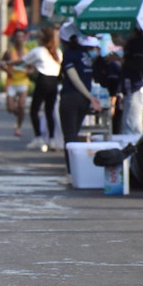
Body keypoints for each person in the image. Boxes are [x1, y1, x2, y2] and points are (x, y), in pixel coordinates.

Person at [59, 27, 102, 176]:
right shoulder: (86, 54)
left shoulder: (69, 55)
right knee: (75, 134)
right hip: (83, 100)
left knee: (70, 137)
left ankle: (72, 172)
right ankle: (75, 171)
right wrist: (89, 96)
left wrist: (89, 96)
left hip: (71, 97)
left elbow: (73, 77)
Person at [22, 26, 61, 151]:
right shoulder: (57, 52)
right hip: (54, 83)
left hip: (43, 81)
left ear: (42, 39)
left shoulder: (39, 50)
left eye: (38, 38)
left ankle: (39, 138)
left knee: (34, 110)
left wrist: (8, 63)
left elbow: (23, 61)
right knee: (49, 111)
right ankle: (52, 140)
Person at [120, 28, 143, 135]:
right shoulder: (132, 44)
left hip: (136, 89)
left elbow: (139, 64)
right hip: (131, 90)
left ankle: (133, 150)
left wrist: (122, 61)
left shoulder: (137, 44)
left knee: (132, 127)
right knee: (129, 124)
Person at [0, 28, 29, 137]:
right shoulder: (9, 52)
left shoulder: (28, 53)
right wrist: (7, 71)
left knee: (21, 105)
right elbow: (1, 64)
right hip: (12, 82)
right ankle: (20, 115)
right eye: (17, 37)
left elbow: (33, 67)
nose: (19, 39)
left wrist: (29, 72)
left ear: (24, 38)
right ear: (14, 38)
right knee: (11, 109)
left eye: (21, 37)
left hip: (23, 81)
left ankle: (18, 127)